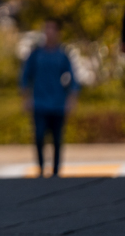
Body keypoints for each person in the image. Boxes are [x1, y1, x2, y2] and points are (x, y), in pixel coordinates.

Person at [21, 20, 81, 178]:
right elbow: (25, 77)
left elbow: (73, 80)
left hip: (57, 103)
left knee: (57, 139)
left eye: (52, 29)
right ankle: (41, 168)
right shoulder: (36, 54)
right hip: (39, 103)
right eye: (46, 29)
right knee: (39, 136)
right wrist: (26, 98)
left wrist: (71, 100)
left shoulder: (62, 55)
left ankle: (55, 171)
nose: (49, 33)